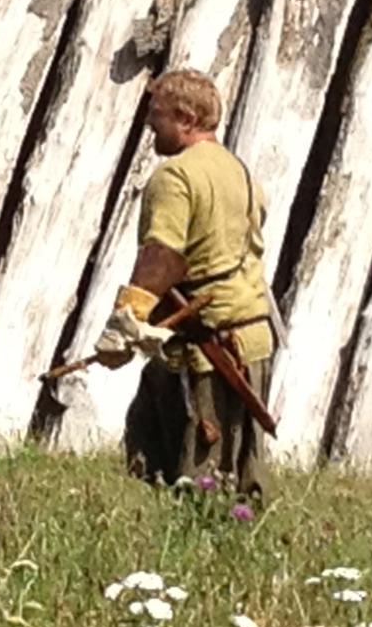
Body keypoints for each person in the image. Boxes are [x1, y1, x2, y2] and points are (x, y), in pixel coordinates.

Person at [96, 68, 276, 500]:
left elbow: (163, 255)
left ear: (185, 118)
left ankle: (202, 561)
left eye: (156, 114)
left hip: (209, 349)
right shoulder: (241, 173)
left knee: (195, 480)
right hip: (251, 340)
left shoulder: (174, 176)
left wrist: (125, 325)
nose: (148, 124)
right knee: (236, 471)